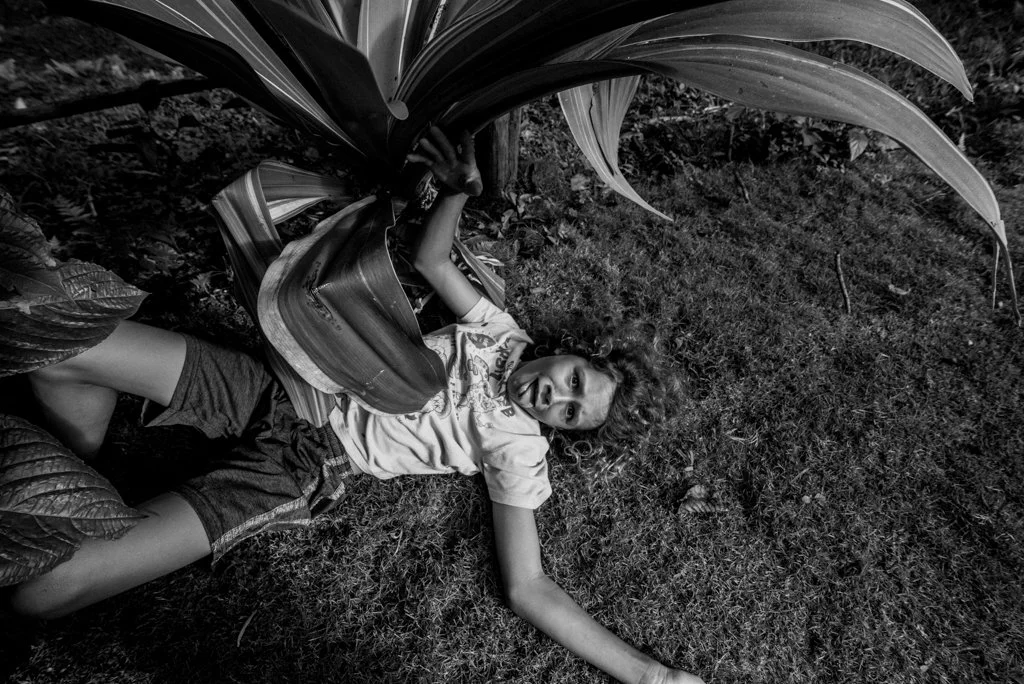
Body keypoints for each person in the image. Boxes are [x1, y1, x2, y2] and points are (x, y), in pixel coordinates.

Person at [6, 127, 704, 684]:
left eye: (572, 413)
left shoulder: (520, 452)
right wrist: (458, 192)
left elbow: (529, 586)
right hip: (281, 381)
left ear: (561, 431)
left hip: (306, 458)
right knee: (61, 339)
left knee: (43, 590)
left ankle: (62, 501)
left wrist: (649, 675)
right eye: (576, 379)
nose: (559, 395)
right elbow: (433, 262)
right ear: (569, 352)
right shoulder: (500, 330)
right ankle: (72, 479)